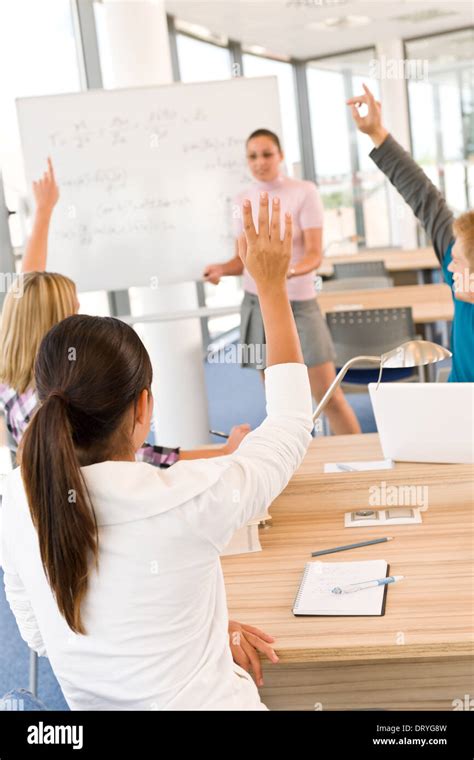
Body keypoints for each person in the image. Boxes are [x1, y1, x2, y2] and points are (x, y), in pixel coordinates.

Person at [2, 194, 313, 710]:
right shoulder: (192, 496)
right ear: (142, 409)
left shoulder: (16, 499)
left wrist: (194, 631)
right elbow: (290, 426)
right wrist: (272, 288)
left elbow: (40, 636)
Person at [0, 159, 250, 463]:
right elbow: (138, 457)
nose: (78, 316)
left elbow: (29, 291)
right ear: (53, 326)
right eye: (72, 310)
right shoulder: (61, 402)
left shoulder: (12, 377)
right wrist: (223, 455)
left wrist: (43, 211)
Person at [203, 129, 360, 434]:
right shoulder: (242, 200)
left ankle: (365, 466)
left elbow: (315, 254)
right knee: (280, 402)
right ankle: (295, 468)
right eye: (252, 156)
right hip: (256, 304)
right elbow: (244, 259)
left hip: (300, 304)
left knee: (329, 396)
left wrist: (284, 272)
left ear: (280, 155)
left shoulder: (304, 191)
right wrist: (223, 269)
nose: (260, 162)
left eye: (266, 154)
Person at [347, 84, 474, 382]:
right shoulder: (460, 278)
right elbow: (424, 197)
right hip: (455, 408)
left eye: (458, 262)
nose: (448, 265)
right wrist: (376, 132)